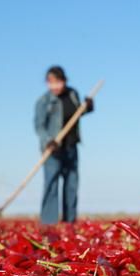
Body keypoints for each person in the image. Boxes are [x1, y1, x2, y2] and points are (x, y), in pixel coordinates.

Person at [34, 66, 94, 225]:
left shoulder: (73, 94)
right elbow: (39, 126)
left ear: (64, 81)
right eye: (50, 82)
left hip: (71, 146)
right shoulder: (44, 101)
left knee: (71, 185)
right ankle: (49, 222)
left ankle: (69, 221)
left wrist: (87, 106)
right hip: (52, 150)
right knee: (51, 184)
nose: (54, 86)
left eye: (57, 82)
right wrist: (48, 140)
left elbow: (76, 114)